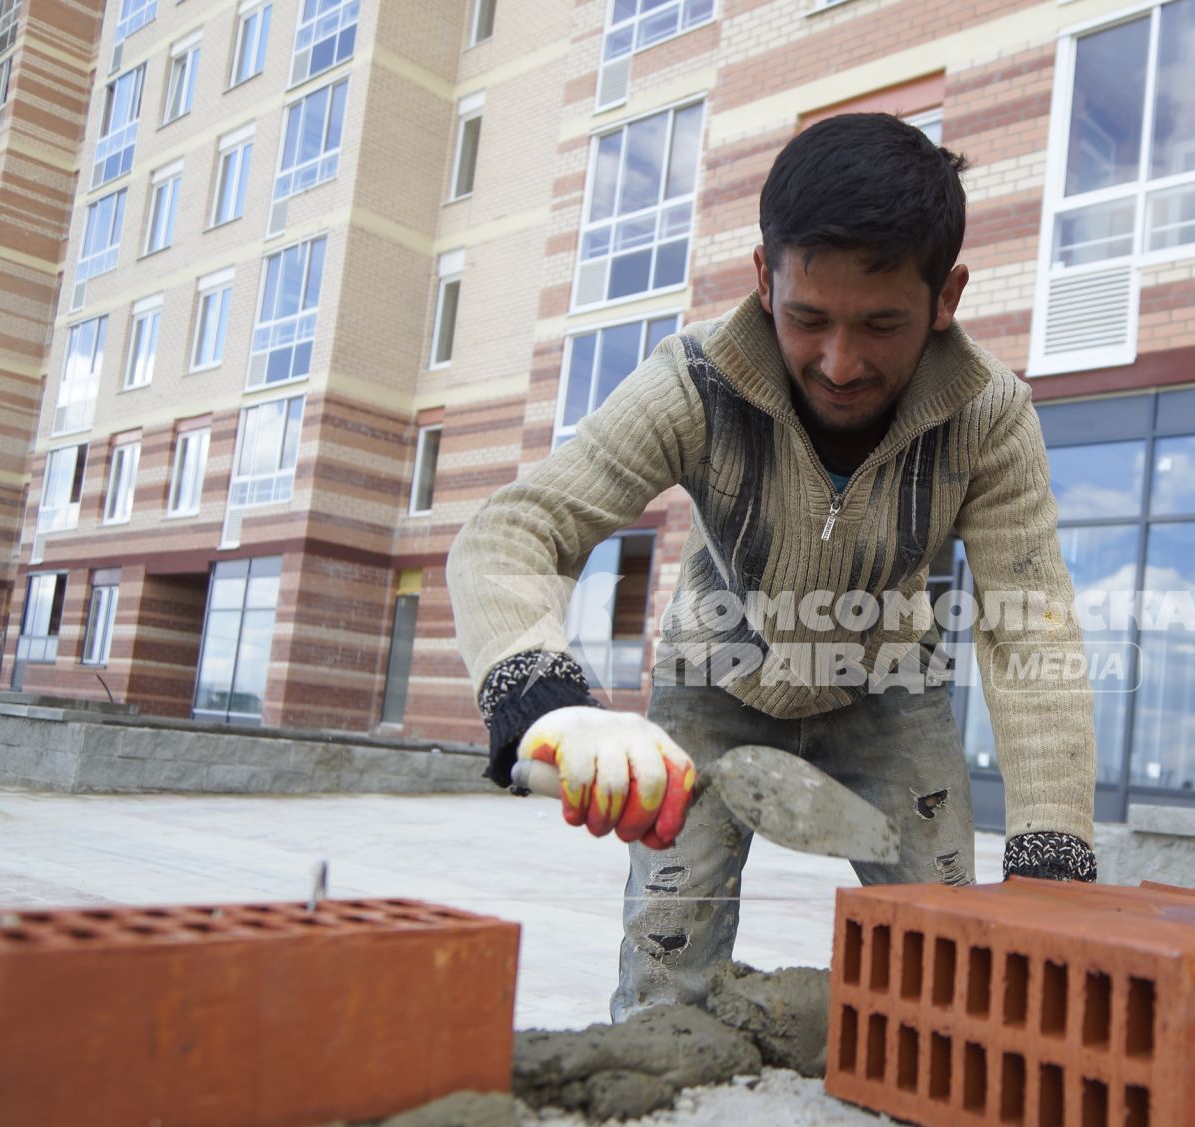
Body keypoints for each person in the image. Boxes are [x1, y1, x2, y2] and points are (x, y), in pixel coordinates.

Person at [447, 113, 1096, 1020]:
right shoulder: (694, 382)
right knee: (668, 966)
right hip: (710, 686)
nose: (840, 363)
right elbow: (515, 530)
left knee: (950, 968)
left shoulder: (988, 417)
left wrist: (1052, 847)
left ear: (945, 296)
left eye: (880, 325)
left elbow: (1029, 628)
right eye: (807, 318)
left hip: (886, 691)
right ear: (763, 279)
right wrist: (543, 699)